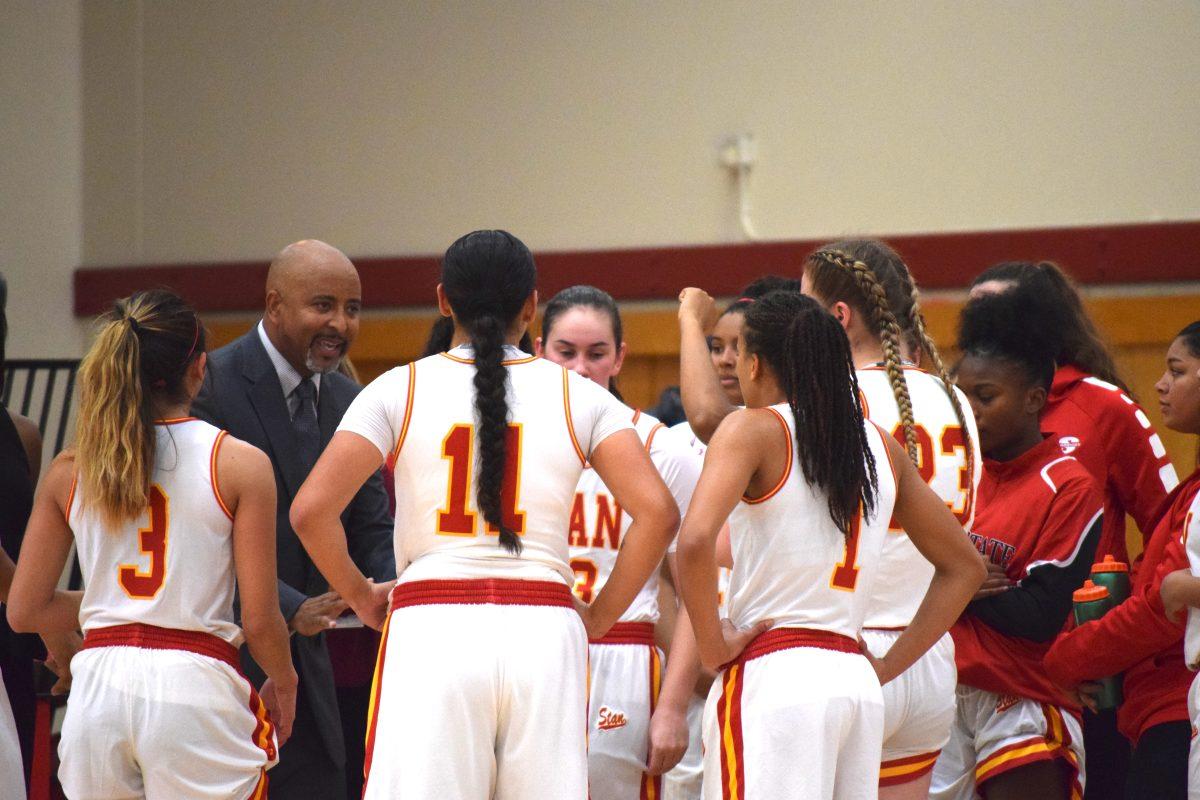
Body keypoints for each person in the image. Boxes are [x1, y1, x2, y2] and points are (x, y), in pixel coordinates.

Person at [289, 230, 679, 799]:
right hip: (546, 631)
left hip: (432, 624)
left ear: (444, 300)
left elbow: (310, 512)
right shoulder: (582, 395)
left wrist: (362, 595)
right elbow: (659, 515)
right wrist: (597, 618)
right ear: (531, 306)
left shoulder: (396, 387)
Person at [676, 289, 983, 800]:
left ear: (753, 364)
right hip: (855, 684)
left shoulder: (752, 429)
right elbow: (965, 568)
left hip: (775, 676)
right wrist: (888, 665)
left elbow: (694, 541)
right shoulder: (880, 445)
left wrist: (712, 646)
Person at [7, 289, 296, 798]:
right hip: (195, 685)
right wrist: (285, 678)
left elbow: (25, 609)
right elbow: (259, 618)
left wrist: (107, 604)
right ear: (200, 368)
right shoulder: (239, 463)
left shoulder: (70, 468)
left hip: (98, 691)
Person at [192, 239, 395, 799]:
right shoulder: (211, 384)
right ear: (274, 303)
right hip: (221, 661)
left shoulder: (354, 400)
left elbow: (372, 528)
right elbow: (202, 536)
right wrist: (288, 607)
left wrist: (395, 590)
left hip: (313, 674)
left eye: (352, 309)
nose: (340, 323)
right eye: (323, 305)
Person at [971, 263, 1178, 799]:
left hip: (1075, 674)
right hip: (968, 667)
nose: (985, 322)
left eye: (999, 309)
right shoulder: (961, 412)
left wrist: (1114, 640)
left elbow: (1170, 528)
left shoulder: (1103, 405)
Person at [930, 289, 1105, 800]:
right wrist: (967, 575)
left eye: (985, 397)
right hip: (941, 690)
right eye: (961, 398)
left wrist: (951, 574)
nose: (970, 412)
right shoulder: (953, 475)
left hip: (1022, 695)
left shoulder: (1069, 485)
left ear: (1033, 398)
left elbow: (1037, 615)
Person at [536, 284, 703, 798]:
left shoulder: (663, 449)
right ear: (539, 352)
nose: (581, 368)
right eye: (566, 353)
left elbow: (699, 594)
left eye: (596, 353)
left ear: (620, 358)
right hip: (537, 652)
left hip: (624, 656)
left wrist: (673, 707)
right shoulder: (516, 445)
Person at [1046, 320, 1200, 800]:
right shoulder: (1189, 493)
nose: (1160, 383)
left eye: (1177, 371)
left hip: (1175, 706)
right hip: (1159, 706)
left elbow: (1159, 610)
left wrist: (1064, 660)